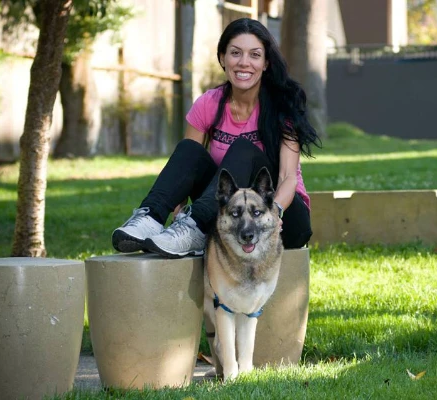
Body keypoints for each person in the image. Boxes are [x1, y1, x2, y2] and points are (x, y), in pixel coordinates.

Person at [111, 17, 321, 258]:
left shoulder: (282, 106)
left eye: (254, 55)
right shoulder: (208, 104)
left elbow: (288, 178)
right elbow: (186, 169)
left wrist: (274, 211)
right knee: (189, 149)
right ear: (222, 58)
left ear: (265, 63)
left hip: (282, 218)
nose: (244, 63)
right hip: (228, 215)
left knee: (243, 149)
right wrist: (177, 214)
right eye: (235, 53)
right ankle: (151, 217)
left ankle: (196, 227)